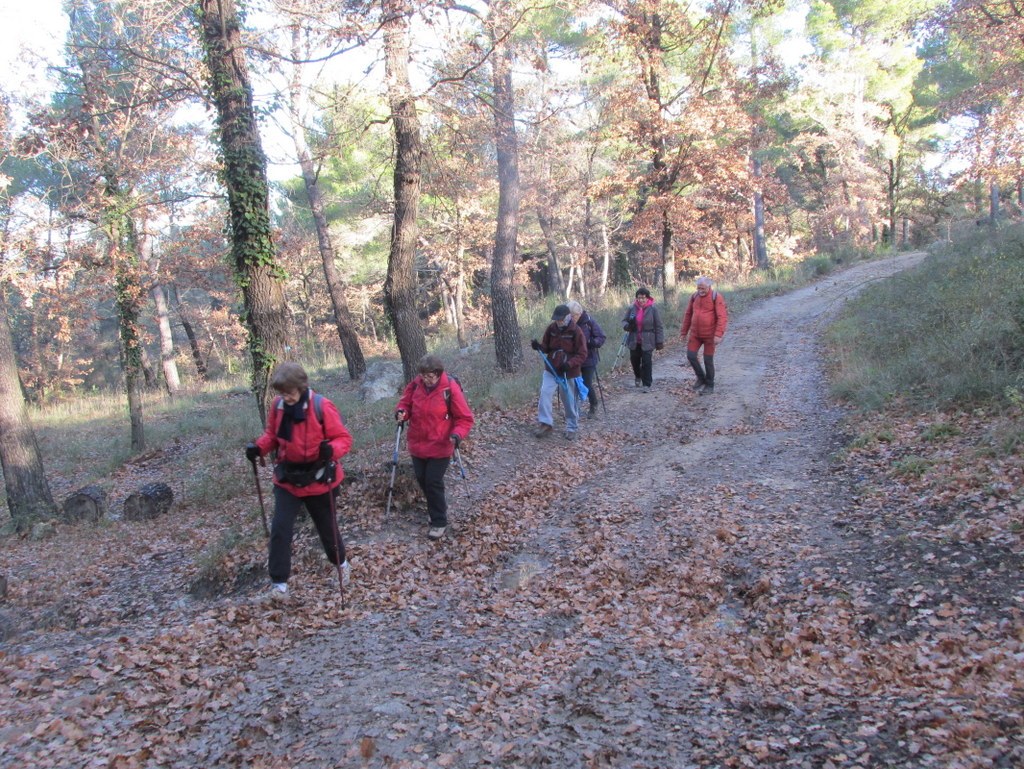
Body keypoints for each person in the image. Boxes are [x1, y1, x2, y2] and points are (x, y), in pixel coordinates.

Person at [245, 362, 353, 603]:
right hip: (288, 479)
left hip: (319, 477)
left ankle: (342, 566)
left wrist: (330, 449)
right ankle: (279, 586)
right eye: (282, 393)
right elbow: (272, 435)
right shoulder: (278, 406)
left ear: (301, 387)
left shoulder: (321, 406)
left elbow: (344, 439)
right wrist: (259, 448)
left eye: (289, 393)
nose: (285, 398)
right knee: (280, 530)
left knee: (327, 529)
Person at [395, 355, 475, 540]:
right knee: (422, 479)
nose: (427, 380)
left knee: (433, 481)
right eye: (424, 375)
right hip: (417, 443)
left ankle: (439, 521)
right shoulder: (415, 385)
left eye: (430, 376)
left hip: (441, 444)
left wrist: (457, 435)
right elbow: (405, 403)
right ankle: (436, 506)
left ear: (439, 374)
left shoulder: (449, 388)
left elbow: (465, 418)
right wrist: (401, 412)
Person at [530, 304, 588, 440]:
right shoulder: (551, 329)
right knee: (545, 393)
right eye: (556, 319)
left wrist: (569, 364)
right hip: (551, 368)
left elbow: (582, 354)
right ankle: (545, 423)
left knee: (568, 399)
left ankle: (572, 427)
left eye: (561, 319)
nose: (558, 321)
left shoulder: (576, 331)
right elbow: (546, 346)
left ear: (568, 317)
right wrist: (538, 346)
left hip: (569, 371)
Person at [680, 276, 729, 394]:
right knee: (691, 356)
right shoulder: (694, 297)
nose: (700, 290)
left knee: (708, 360)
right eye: (698, 288)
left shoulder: (716, 297)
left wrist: (718, 334)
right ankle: (701, 378)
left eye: (703, 288)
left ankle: (710, 385)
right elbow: (688, 314)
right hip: (695, 334)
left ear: (709, 286)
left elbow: (722, 317)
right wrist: (684, 332)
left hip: (710, 335)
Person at [622, 287, 665, 392]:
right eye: (639, 298)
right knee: (634, 361)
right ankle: (638, 376)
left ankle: (647, 384)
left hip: (648, 339)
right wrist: (627, 326)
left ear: (647, 298)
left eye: (643, 298)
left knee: (647, 362)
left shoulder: (653, 309)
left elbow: (659, 326)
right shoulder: (632, 308)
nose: (641, 300)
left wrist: (659, 341)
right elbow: (624, 321)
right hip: (634, 339)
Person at [568, 300, 606, 418]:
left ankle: (593, 405)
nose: (571, 318)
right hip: (574, 358)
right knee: (572, 383)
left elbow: (601, 337)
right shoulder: (568, 323)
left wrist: (590, 343)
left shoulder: (588, 322)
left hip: (589, 358)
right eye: (569, 315)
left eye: (573, 315)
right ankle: (573, 409)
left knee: (586, 383)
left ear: (579, 313)